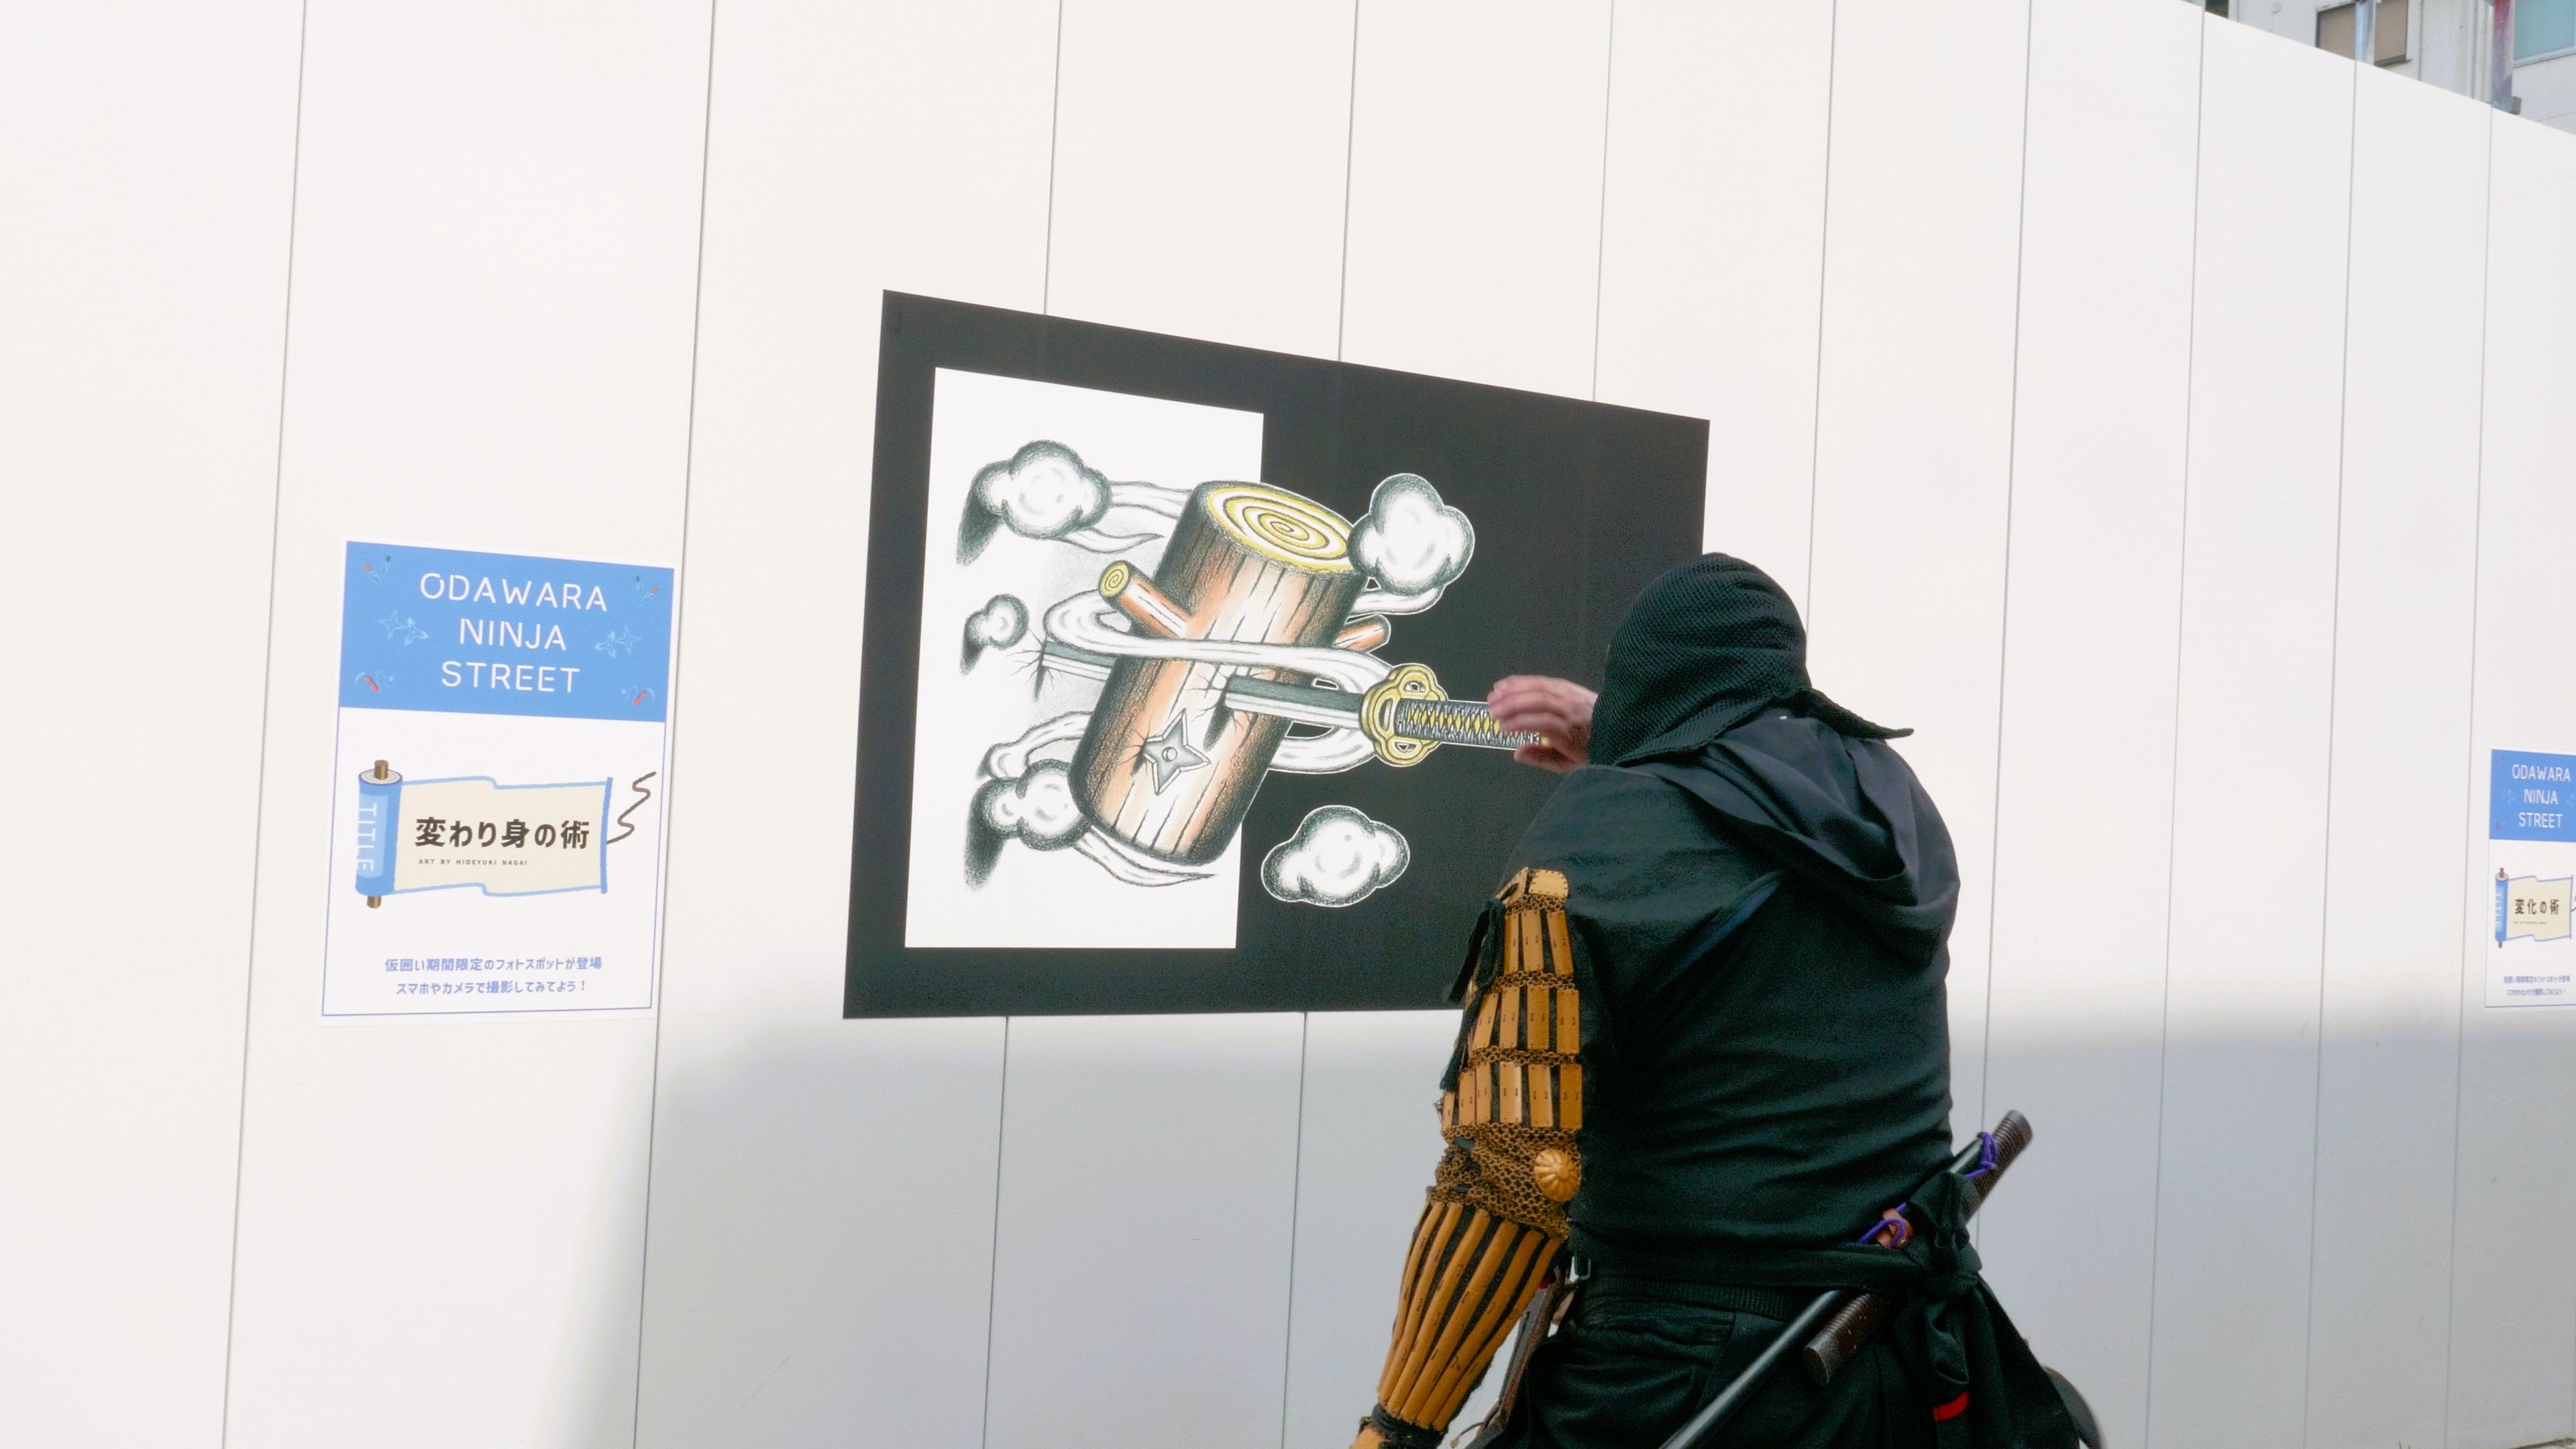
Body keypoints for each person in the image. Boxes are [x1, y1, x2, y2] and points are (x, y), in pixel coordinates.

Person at [1346, 555, 2076, 1449]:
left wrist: (1398, 1429)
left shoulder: (1597, 841)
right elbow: (1742, 811)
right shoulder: (1891, 808)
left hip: (1669, 1384)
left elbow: (1504, 1181)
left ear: (1641, 683)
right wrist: (1630, 740)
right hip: (1893, 1380)